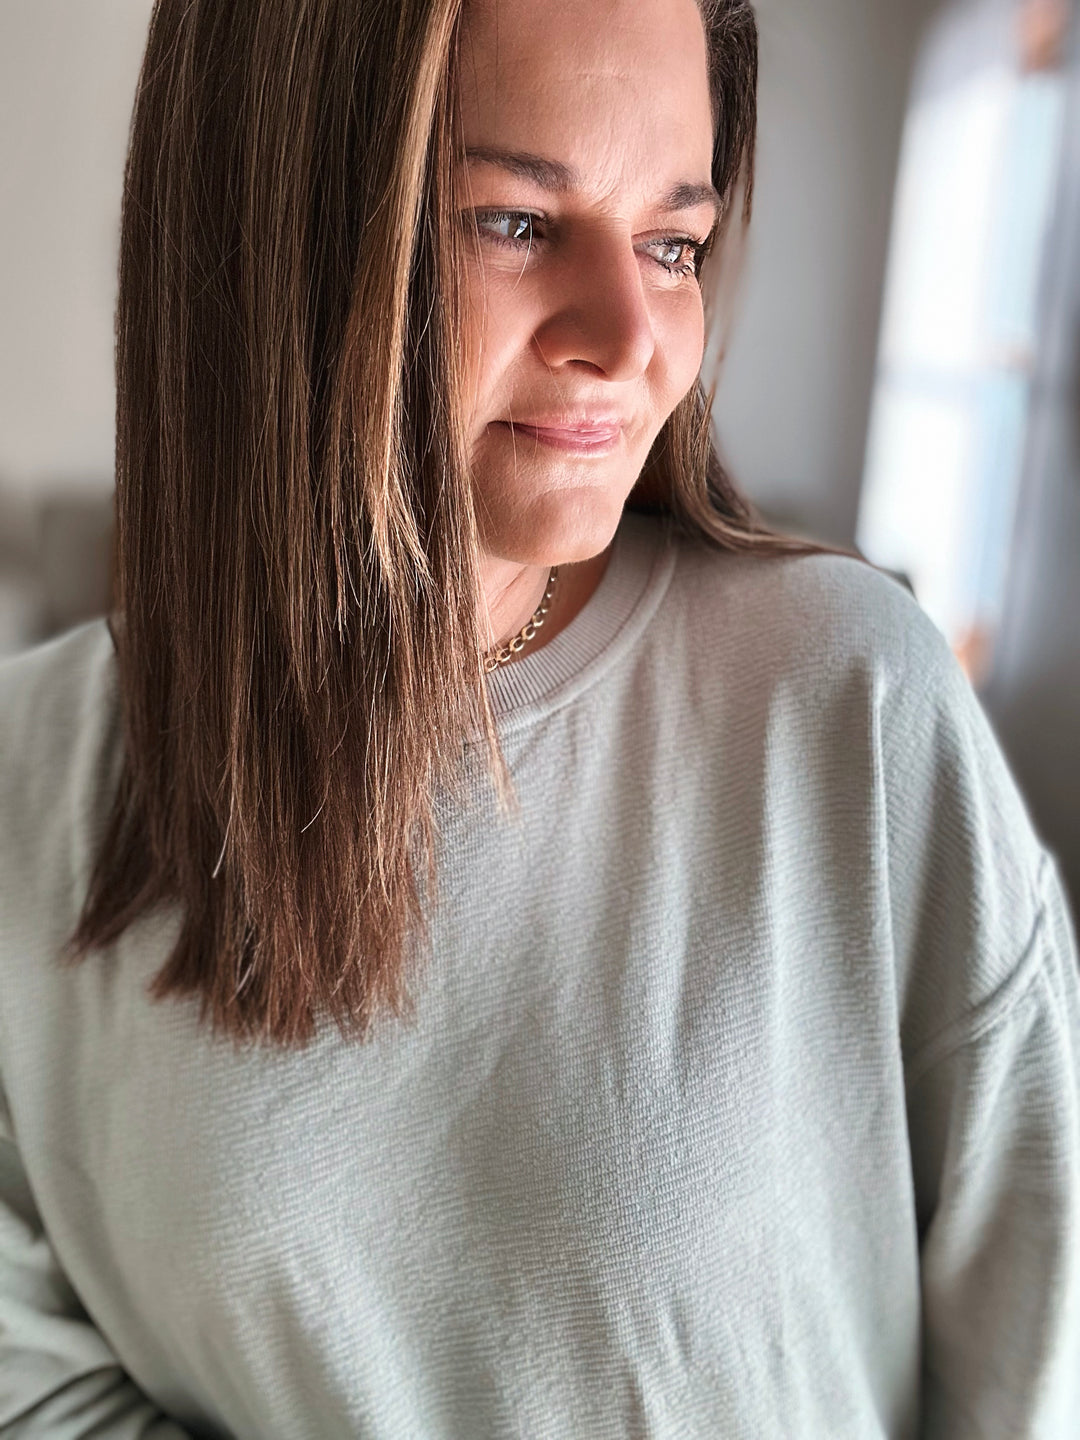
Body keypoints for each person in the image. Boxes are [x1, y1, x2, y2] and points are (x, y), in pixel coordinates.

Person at [0, 0, 1077, 1435]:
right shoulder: (29, 787)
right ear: (273, 233)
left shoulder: (851, 707)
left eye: (673, 243)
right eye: (515, 223)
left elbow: (1039, 1359)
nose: (633, 341)